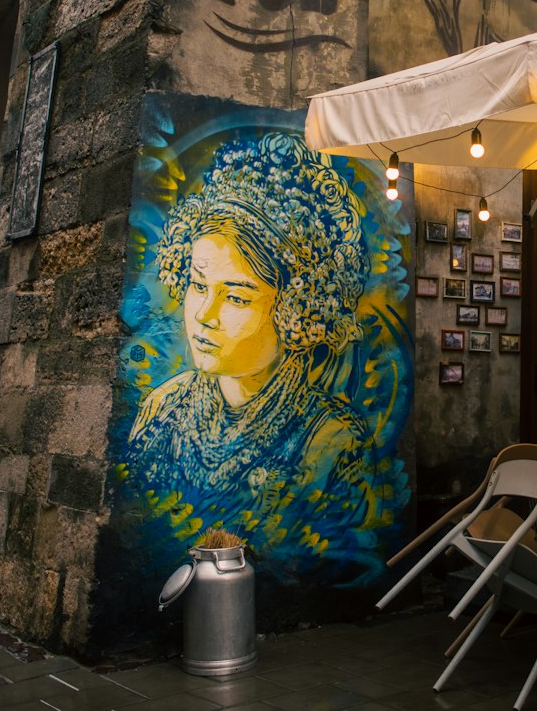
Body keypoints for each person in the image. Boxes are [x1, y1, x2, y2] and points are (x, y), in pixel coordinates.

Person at [123, 132, 389, 579]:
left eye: (237, 298)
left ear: (295, 309)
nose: (204, 316)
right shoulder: (161, 410)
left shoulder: (332, 442)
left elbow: (338, 568)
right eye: (198, 286)